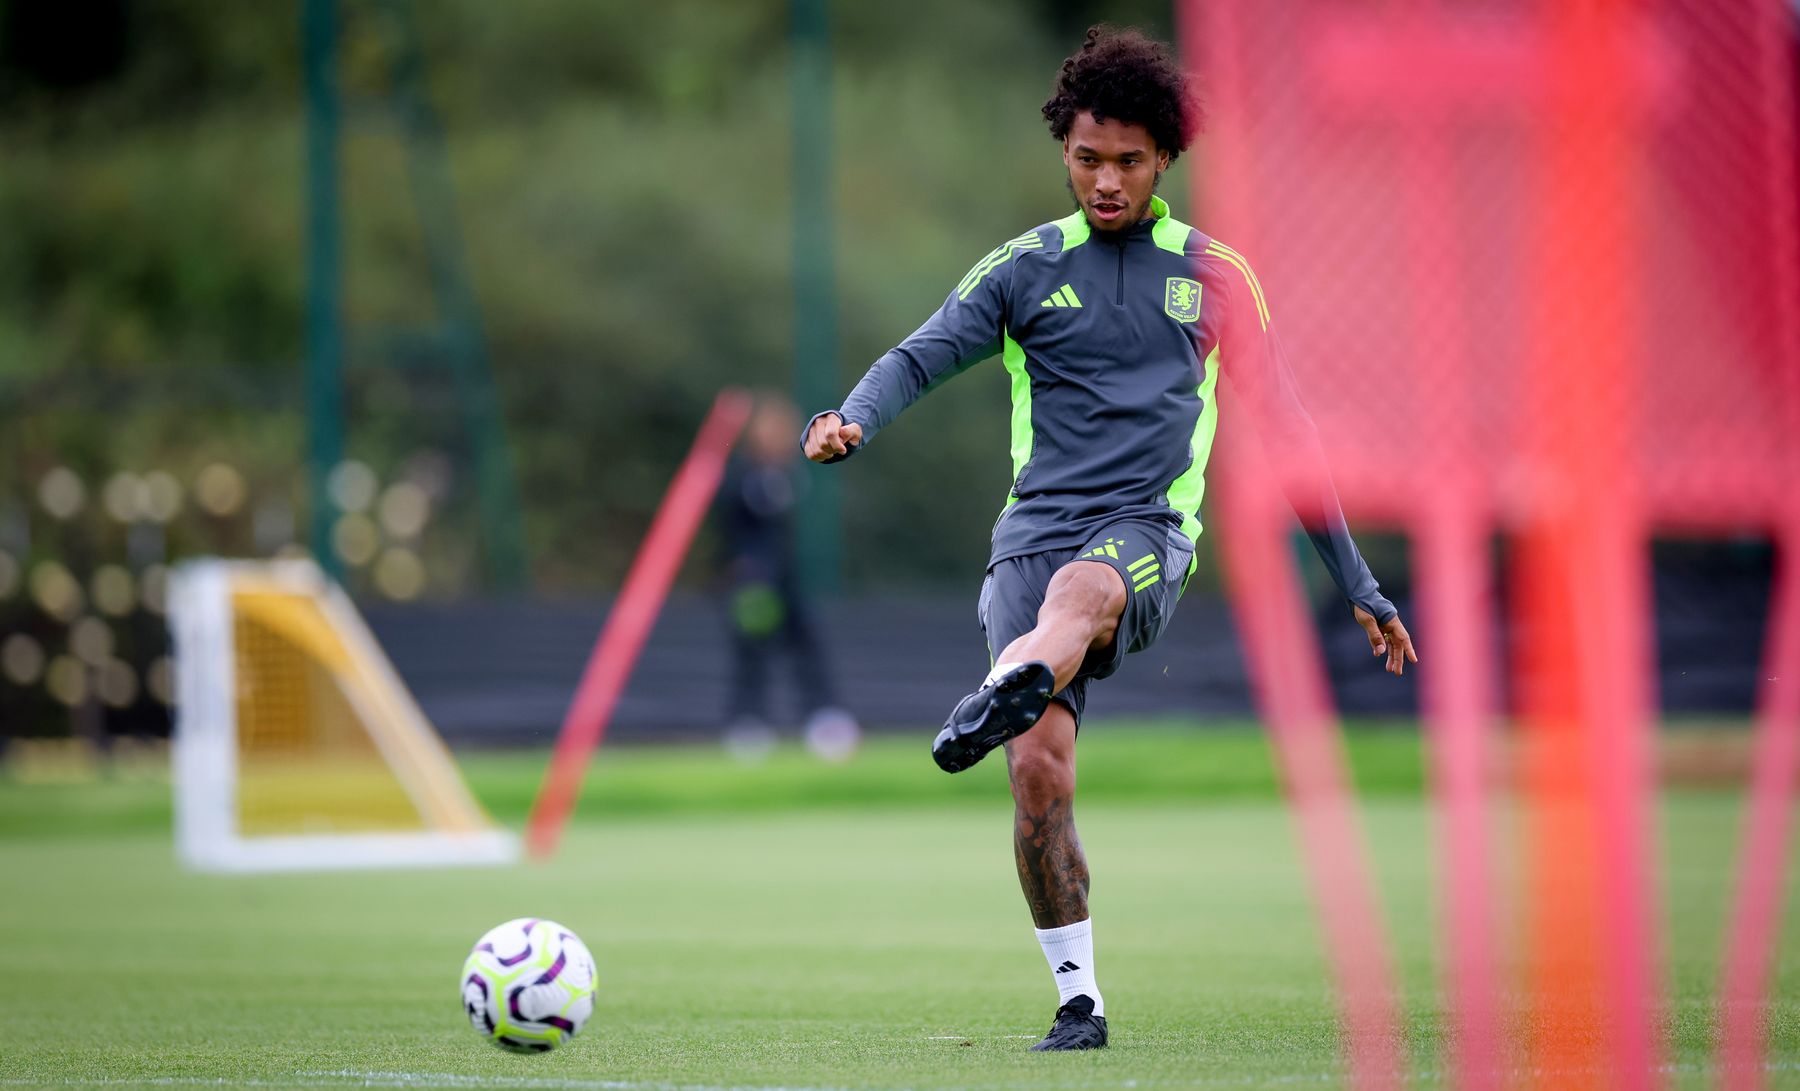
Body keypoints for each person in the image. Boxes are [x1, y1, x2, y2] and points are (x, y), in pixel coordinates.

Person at [802, 26, 1417, 1050]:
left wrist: (1357, 580)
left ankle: (1006, 685)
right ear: (1065, 151)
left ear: (1165, 157)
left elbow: (1293, 436)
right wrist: (853, 415)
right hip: (1029, 537)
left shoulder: (1217, 277)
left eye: (1127, 159)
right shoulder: (1024, 268)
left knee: (1085, 595)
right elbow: (918, 355)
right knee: (1037, 774)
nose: (1105, 179)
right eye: (1087, 157)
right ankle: (1077, 997)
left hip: (1145, 534)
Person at [718, 392, 859, 760]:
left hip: (787, 578)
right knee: (752, 651)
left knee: (808, 645)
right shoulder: (741, 476)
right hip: (753, 584)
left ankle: (823, 719)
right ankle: (747, 726)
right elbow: (729, 527)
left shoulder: (789, 477)